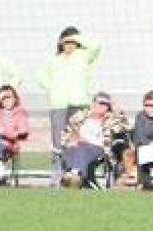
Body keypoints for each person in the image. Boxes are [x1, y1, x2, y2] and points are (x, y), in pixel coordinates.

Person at [36, 27, 100, 186]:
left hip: (80, 105)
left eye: (72, 42)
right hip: (59, 105)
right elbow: (39, 75)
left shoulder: (83, 56)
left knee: (80, 141)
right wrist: (52, 88)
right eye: (66, 42)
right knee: (59, 143)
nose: (69, 45)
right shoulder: (55, 60)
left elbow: (96, 46)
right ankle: (58, 177)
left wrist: (77, 37)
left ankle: (81, 175)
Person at [60, 91, 130, 188]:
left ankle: (74, 175)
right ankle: (75, 177)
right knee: (74, 149)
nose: (103, 106)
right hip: (76, 146)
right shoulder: (79, 117)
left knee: (82, 149)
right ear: (93, 103)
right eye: (100, 103)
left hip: (98, 148)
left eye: (106, 105)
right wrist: (70, 141)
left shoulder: (112, 119)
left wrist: (117, 111)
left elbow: (126, 128)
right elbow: (65, 134)